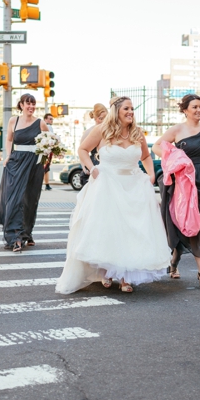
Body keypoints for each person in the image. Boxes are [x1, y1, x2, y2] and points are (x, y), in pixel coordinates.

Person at [56, 96, 170, 294]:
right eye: (126, 108)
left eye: (132, 109)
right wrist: (92, 169)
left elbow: (145, 156)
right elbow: (83, 149)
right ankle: (106, 272)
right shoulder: (101, 130)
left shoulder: (136, 132)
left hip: (133, 186)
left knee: (130, 231)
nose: (131, 112)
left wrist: (150, 174)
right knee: (109, 229)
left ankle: (126, 276)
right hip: (107, 185)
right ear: (116, 110)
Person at [153, 94, 200, 290]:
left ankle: (175, 258)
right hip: (185, 182)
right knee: (194, 224)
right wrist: (175, 156)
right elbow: (156, 147)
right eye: (194, 107)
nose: (198, 110)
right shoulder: (177, 130)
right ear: (185, 110)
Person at [0, 94, 49, 252]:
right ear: (21, 105)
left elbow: (49, 143)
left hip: (33, 164)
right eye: (28, 103)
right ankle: (14, 237)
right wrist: (8, 156)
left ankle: (26, 233)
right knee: (14, 199)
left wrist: (44, 159)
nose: (31, 107)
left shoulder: (41, 123)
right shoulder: (13, 121)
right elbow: (10, 139)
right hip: (17, 162)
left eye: (33, 104)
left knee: (30, 200)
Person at [80, 103, 108, 187]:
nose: (103, 121)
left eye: (106, 118)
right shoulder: (89, 132)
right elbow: (81, 150)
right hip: (93, 164)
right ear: (95, 118)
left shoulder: (111, 131)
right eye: (100, 118)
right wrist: (84, 167)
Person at [43, 113, 54, 191]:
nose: (51, 120)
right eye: (50, 119)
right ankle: (46, 184)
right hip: (47, 150)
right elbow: (52, 137)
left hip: (44, 149)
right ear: (45, 119)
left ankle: (46, 184)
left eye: (52, 119)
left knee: (45, 168)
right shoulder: (48, 126)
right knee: (45, 168)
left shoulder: (41, 126)